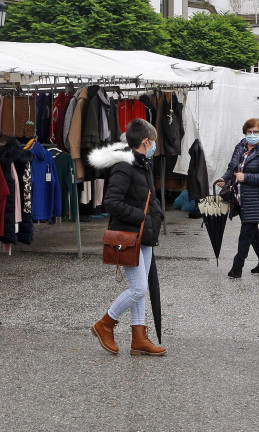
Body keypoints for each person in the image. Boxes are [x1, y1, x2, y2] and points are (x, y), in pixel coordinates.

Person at [88, 119, 166, 356]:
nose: (155, 146)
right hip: (130, 236)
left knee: (139, 289)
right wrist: (141, 217)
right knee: (139, 289)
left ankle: (139, 338)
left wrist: (157, 214)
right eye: (153, 141)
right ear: (146, 141)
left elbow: (147, 196)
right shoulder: (125, 166)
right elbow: (111, 202)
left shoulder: (144, 164)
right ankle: (105, 324)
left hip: (144, 234)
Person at [217, 118, 259, 279]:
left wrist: (246, 177)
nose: (252, 135)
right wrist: (225, 179)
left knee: (246, 233)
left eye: (256, 132)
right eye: (249, 132)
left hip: (256, 200)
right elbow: (232, 168)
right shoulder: (240, 147)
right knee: (252, 231)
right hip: (240, 199)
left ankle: (237, 267)